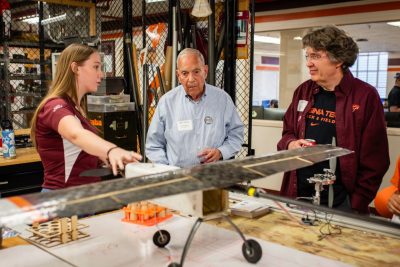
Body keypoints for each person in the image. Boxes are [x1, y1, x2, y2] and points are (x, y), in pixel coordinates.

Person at [277, 26, 389, 214]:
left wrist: (355, 203)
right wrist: (291, 144)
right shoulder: (303, 91)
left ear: (338, 59)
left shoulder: (365, 96)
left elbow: (376, 160)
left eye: (316, 56)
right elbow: (287, 132)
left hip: (342, 202)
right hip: (298, 193)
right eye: (308, 56)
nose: (309, 63)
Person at [30, 44, 142, 190]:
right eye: (95, 67)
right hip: (63, 198)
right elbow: (76, 134)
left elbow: (82, 151)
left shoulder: (78, 108)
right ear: (75, 68)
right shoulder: (55, 106)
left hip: (84, 197)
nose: (101, 74)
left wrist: (117, 161)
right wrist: (112, 150)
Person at [145, 48, 244, 168]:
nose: (191, 79)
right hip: (178, 179)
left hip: (213, 176)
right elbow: (153, 145)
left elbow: (236, 135)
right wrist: (167, 171)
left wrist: (221, 152)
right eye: (185, 73)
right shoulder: (166, 103)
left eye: (196, 72)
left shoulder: (223, 100)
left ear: (205, 71)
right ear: (178, 75)